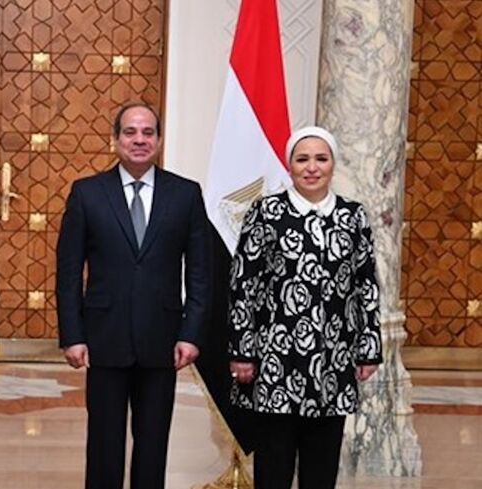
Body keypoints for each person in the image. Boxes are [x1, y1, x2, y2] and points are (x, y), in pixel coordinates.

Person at [56, 102, 212, 489]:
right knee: (104, 445)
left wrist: (191, 333)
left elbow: (199, 272)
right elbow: (68, 272)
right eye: (130, 132)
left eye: (147, 133)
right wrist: (72, 335)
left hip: (162, 340)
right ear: (115, 140)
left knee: (153, 444)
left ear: (158, 141)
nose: (139, 140)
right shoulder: (87, 193)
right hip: (103, 338)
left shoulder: (186, 194)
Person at [227, 126, 383, 489]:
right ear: (290, 165)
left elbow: (366, 285)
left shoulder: (352, 216)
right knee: (274, 466)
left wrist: (369, 348)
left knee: (321, 467)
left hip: (333, 362)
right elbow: (243, 285)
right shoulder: (266, 212)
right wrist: (242, 351)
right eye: (302, 159)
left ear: (332, 164)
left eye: (321, 158)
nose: (312, 167)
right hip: (274, 363)